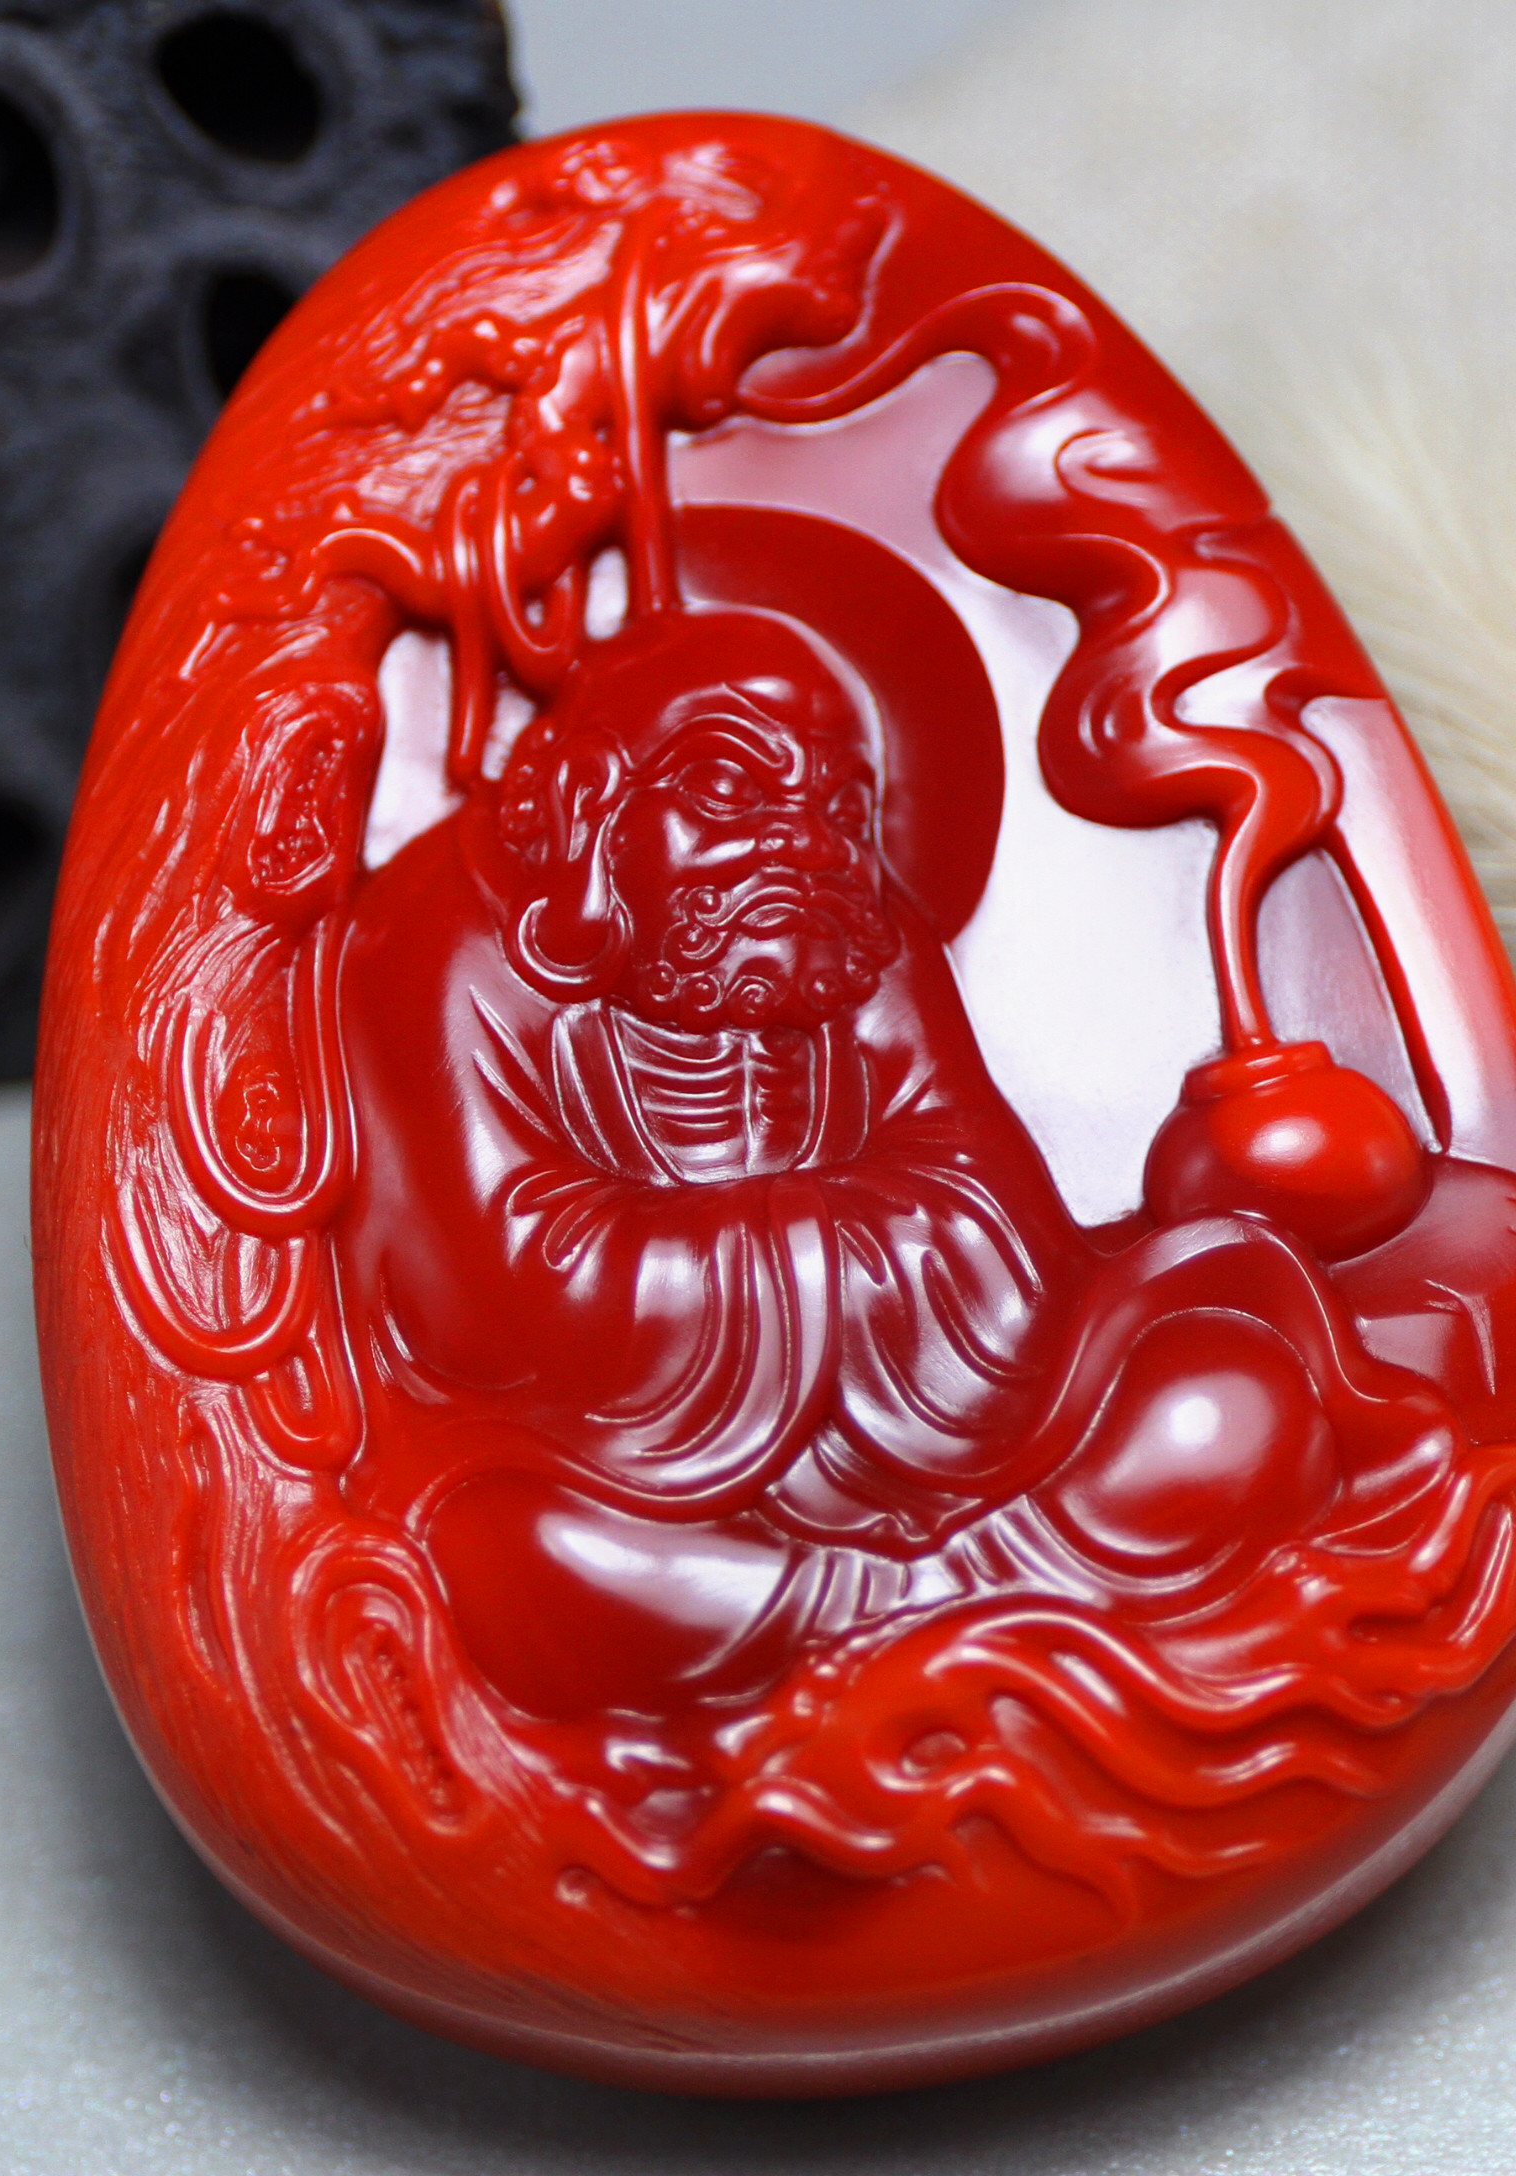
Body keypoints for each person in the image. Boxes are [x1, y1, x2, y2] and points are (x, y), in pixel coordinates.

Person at [325, 606, 1454, 1720]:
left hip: (949, 1429)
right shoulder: (443, 938)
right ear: (589, 803)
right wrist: (858, 1241)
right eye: (726, 791)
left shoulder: (853, 925)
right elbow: (497, 1290)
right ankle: (960, 1612)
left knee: (1231, 1400)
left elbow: (995, 1203)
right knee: (509, 1560)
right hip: (636, 1473)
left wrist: (819, 1250)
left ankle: (885, 1625)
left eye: (837, 805)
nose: (794, 842)